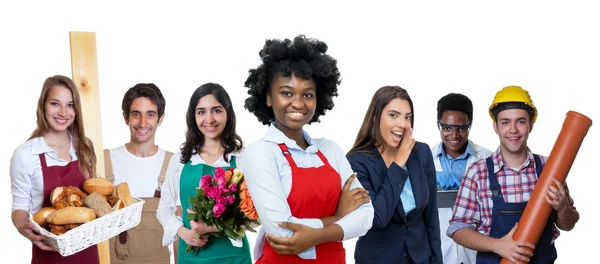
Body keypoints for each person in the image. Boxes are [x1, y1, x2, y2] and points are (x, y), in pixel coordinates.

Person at [241, 35, 374, 264]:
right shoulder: (259, 153)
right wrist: (340, 217)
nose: (298, 103)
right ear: (268, 98)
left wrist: (317, 234)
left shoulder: (331, 150)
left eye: (307, 94)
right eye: (286, 93)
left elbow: (366, 215)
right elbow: (282, 234)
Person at [447, 86, 580, 263]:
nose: (513, 130)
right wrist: (497, 245)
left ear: (531, 124)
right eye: (505, 122)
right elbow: (458, 229)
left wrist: (563, 207)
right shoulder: (477, 173)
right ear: (495, 126)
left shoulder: (551, 168)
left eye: (521, 121)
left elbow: (568, 224)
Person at [157, 83, 252, 264]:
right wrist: (183, 232)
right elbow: (164, 209)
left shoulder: (242, 159)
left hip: (234, 257)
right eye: (201, 112)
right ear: (193, 117)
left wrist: (211, 227)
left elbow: (253, 214)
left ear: (228, 113)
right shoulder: (180, 160)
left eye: (216, 110)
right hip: (192, 256)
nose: (209, 119)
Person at [346, 86, 443, 264]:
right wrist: (398, 163)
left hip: (420, 258)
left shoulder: (421, 152)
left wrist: (437, 260)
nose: (403, 124)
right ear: (376, 117)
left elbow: (431, 218)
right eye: (393, 115)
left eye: (408, 117)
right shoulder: (357, 161)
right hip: (378, 258)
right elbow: (377, 217)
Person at [10, 75, 100, 264]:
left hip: (88, 252)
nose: (63, 112)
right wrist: (23, 228)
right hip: (48, 252)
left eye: (70, 105)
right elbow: (19, 208)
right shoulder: (26, 154)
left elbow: (93, 196)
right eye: (55, 103)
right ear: (43, 105)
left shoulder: (84, 146)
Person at [104, 83, 178, 264]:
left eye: (150, 114)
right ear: (125, 117)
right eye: (136, 114)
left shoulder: (174, 164)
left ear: (160, 118)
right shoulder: (104, 160)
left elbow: (179, 231)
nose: (143, 123)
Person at [431, 93, 492, 264]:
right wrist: (427, 178)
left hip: (477, 252)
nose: (454, 135)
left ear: (469, 126)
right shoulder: (424, 160)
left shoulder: (488, 160)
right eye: (447, 128)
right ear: (438, 125)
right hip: (439, 252)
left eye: (461, 128)